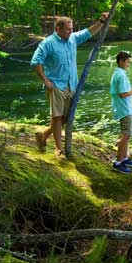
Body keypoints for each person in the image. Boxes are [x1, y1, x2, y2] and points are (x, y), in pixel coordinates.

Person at [30, 13, 108, 157]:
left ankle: (43, 135)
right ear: (58, 29)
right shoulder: (48, 43)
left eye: (72, 28)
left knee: (67, 117)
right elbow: (36, 61)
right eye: (68, 29)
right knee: (57, 117)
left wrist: (101, 21)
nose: (71, 31)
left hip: (72, 85)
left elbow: (88, 32)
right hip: (56, 85)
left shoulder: (72, 39)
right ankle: (58, 148)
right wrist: (45, 80)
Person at [110, 51, 132, 173]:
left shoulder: (118, 73)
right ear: (121, 61)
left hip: (125, 108)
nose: (129, 64)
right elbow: (123, 94)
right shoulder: (121, 75)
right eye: (127, 62)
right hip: (124, 109)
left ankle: (124, 158)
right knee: (126, 134)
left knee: (126, 134)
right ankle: (118, 162)